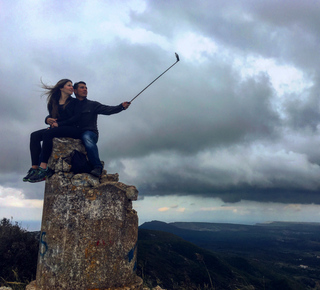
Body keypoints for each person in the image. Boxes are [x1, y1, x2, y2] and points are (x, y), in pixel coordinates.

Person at [23, 79, 82, 183]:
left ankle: (44, 167)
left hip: (73, 129)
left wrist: (59, 124)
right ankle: (35, 168)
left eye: (72, 85)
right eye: (69, 85)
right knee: (34, 135)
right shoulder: (53, 102)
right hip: (58, 128)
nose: (72, 87)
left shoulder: (75, 102)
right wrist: (47, 120)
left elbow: (76, 118)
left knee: (47, 134)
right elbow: (52, 116)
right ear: (61, 88)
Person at [73, 81, 130, 177]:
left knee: (87, 137)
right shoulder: (71, 104)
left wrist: (121, 107)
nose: (85, 89)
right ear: (75, 91)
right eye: (82, 87)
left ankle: (97, 167)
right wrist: (48, 119)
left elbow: (108, 110)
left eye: (86, 88)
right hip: (75, 132)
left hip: (90, 132)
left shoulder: (92, 104)